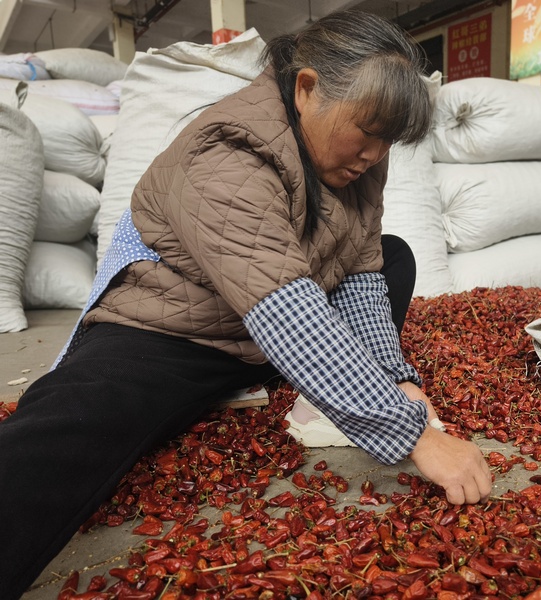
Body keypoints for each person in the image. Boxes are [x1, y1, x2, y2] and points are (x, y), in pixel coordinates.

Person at [0, 10, 492, 599]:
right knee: (76, 421)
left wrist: (392, 379)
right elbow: (287, 310)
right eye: (367, 133)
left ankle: (320, 382)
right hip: (180, 330)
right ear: (307, 89)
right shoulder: (226, 151)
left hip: (269, 330)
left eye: (388, 140)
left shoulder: (361, 158)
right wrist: (414, 435)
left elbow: (360, 269)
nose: (373, 153)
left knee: (394, 256)